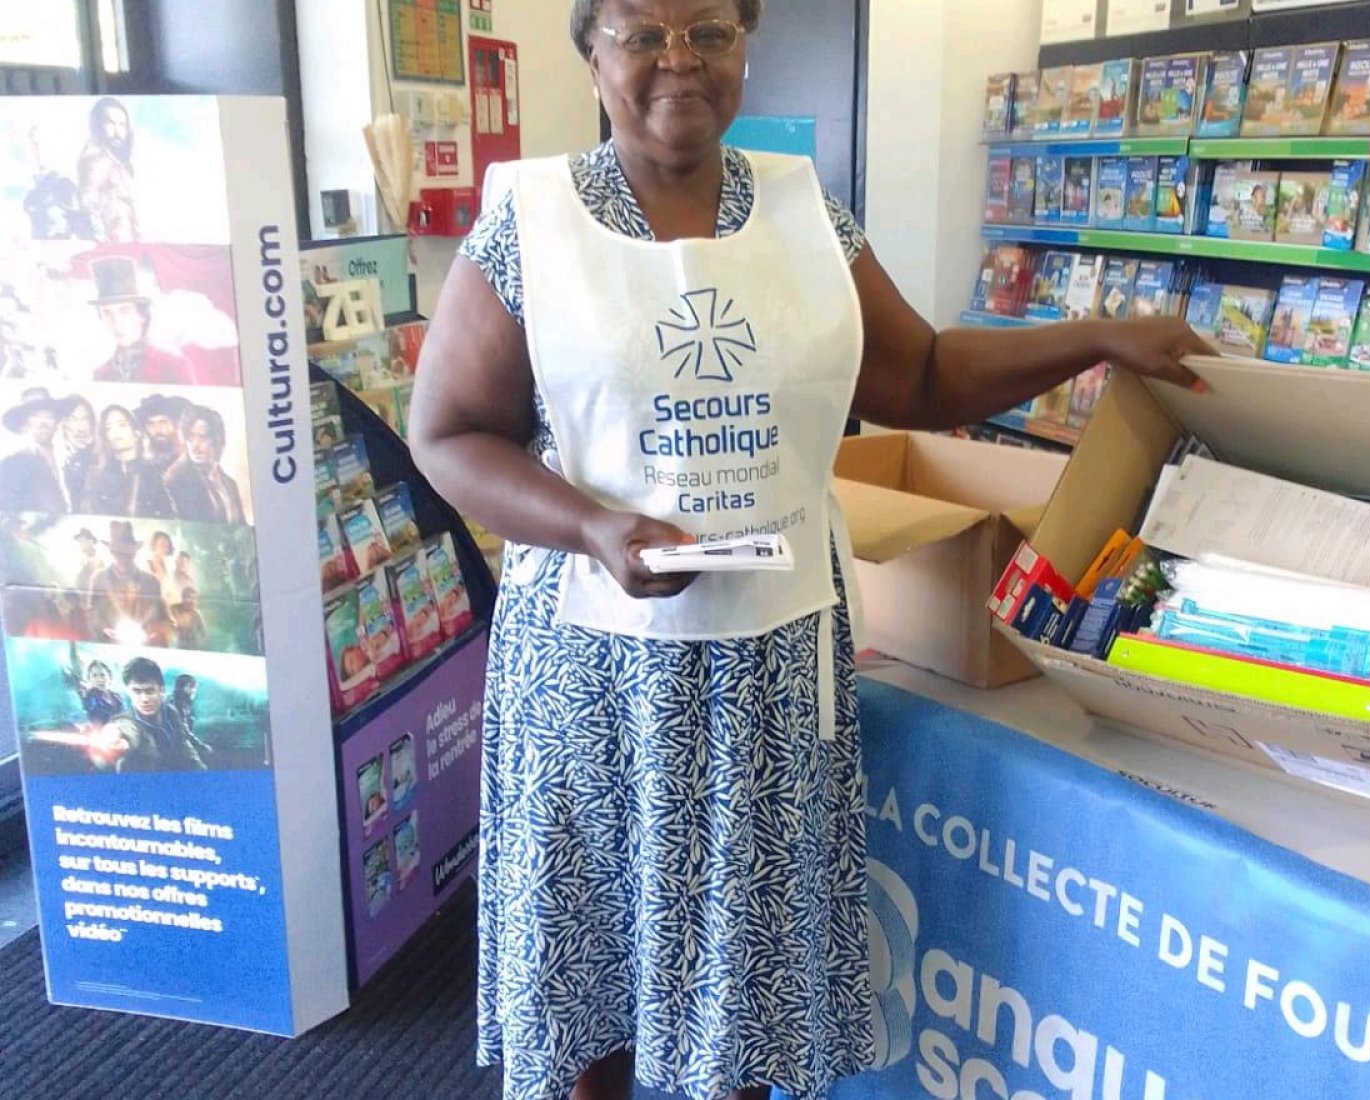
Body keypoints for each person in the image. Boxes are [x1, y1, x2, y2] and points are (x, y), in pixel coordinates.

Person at [406, 4, 1214, 1099]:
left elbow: (921, 375)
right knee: (588, 963)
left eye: (710, 30)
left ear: (747, 43)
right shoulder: (531, 223)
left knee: (750, 971)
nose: (678, 59)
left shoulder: (805, 217)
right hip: (595, 669)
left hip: (769, 664)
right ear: (590, 51)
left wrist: (1099, 337)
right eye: (643, 33)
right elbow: (449, 432)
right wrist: (595, 528)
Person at [89, 256, 192, 384]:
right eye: (107, 313)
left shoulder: (172, 365)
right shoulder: (100, 374)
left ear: (141, 315)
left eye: (124, 312)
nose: (116, 322)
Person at [99, 657, 206, 773]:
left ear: (161, 690)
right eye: (137, 691)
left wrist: (201, 771)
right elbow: (127, 728)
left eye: (150, 691)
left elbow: (184, 745)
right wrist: (118, 739)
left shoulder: (170, 712)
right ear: (128, 691)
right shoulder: (125, 721)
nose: (144, 699)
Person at [81, 404, 175, 519]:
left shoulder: (155, 473)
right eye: (108, 428)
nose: (115, 432)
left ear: (136, 432)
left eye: (122, 425)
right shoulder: (97, 477)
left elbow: (168, 516)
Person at [84, 520, 167, 644]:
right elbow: (92, 614)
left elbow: (161, 617)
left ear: (134, 552)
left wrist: (151, 633)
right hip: (107, 646)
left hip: (144, 647)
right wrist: (104, 629)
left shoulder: (152, 582)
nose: (123, 559)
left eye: (127, 554)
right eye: (118, 554)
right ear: (112, 553)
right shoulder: (98, 579)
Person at [163, 405, 246, 524]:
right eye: (190, 437)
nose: (195, 445)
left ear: (216, 440)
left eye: (202, 437)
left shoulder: (230, 484)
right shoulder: (175, 480)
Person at [77, 97, 139, 242]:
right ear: (98, 125)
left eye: (122, 124)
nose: (118, 130)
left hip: (128, 239)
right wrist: (103, 241)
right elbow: (88, 203)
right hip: (112, 243)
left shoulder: (120, 162)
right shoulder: (97, 159)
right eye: (110, 123)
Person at [0, 387, 69, 514]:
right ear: (25, 423)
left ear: (56, 422)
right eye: (35, 416)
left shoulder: (67, 458)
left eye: (49, 416)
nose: (43, 422)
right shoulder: (12, 463)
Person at [54, 395, 97, 510]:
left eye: (84, 418)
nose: (80, 427)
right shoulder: (55, 458)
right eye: (72, 419)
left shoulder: (100, 457)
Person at [135, 394, 188, 472]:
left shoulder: (191, 458)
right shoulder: (141, 463)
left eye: (163, 422)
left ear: (175, 424)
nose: (157, 429)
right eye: (151, 424)